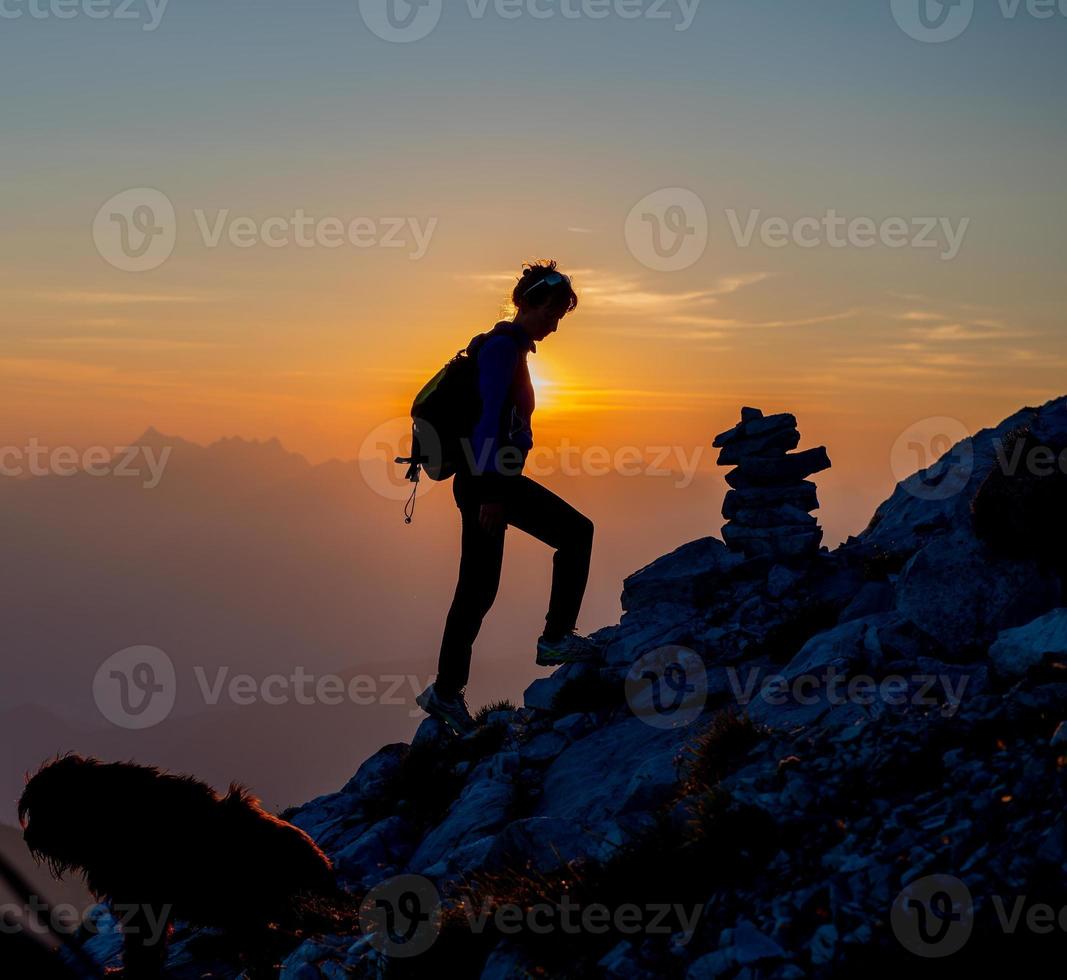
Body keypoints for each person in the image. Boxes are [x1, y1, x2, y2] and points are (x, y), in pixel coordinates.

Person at [417, 261, 600, 735]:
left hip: (488, 480)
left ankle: (446, 689)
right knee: (576, 534)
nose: (554, 323)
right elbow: (488, 424)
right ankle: (554, 639)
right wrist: (494, 494)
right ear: (527, 303)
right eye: (551, 311)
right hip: (489, 482)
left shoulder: (506, 348)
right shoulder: (501, 350)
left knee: (478, 589)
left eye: (560, 315)